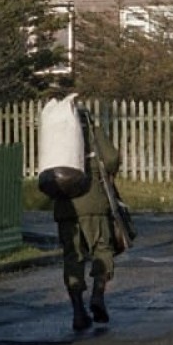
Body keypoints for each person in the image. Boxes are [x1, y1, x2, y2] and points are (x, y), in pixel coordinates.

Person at [54, 99, 121, 332]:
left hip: (65, 208)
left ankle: (77, 311)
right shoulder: (91, 129)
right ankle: (98, 295)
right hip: (94, 203)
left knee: (73, 257)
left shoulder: (57, 137)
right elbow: (111, 160)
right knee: (102, 249)